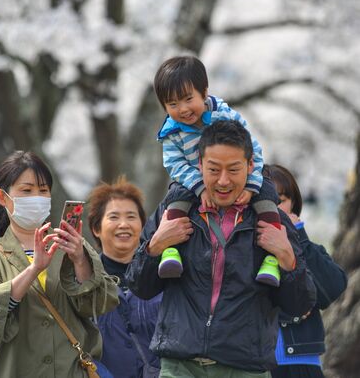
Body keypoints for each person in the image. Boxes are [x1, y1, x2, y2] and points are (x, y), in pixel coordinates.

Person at [126, 120, 317, 378]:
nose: (223, 180)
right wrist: (155, 246)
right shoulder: (174, 212)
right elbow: (140, 286)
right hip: (179, 366)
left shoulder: (271, 220)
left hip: (245, 368)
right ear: (199, 165)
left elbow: (299, 304)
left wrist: (287, 258)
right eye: (214, 169)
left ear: (251, 167)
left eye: (234, 169)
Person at [0, 150, 120, 378]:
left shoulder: (70, 245)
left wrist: (80, 260)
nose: (36, 197)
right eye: (26, 190)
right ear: (3, 197)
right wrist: (34, 269)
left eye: (43, 190)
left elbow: (101, 305)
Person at [154, 56, 281, 286]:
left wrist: (251, 185)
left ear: (204, 92)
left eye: (188, 99)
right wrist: (199, 186)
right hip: (192, 180)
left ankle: (272, 259)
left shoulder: (226, 116)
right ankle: (171, 251)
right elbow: (175, 165)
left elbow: (252, 151)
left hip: (236, 180)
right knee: (175, 198)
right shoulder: (171, 133)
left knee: (268, 194)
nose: (182, 109)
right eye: (172, 104)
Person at [264, 164, 347, 378]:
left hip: (302, 363)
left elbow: (331, 289)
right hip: (255, 363)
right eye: (267, 202)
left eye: (281, 201)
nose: (275, 209)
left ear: (293, 204)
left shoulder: (308, 247)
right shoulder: (242, 250)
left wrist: (298, 237)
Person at [89, 176, 161, 378]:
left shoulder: (163, 274)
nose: (124, 224)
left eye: (131, 217)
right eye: (113, 217)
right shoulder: (83, 281)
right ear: (96, 228)